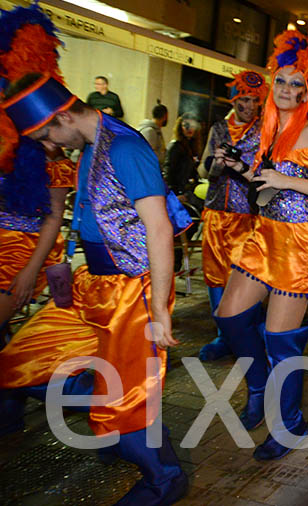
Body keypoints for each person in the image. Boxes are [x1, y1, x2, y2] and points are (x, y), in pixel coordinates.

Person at [0, 72, 189, 504]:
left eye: (47, 132)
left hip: (132, 292)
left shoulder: (125, 147)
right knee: (20, 361)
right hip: (94, 286)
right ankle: (112, 422)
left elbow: (159, 229)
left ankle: (164, 476)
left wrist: (159, 309)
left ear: (63, 115)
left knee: (126, 396)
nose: (49, 144)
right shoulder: (90, 145)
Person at [212, 28, 308, 461]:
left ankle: (288, 424)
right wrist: (237, 167)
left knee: (280, 339)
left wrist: (284, 178)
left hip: (302, 243)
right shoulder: (269, 127)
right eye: (282, 81)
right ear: (271, 83)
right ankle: (257, 385)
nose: (288, 89)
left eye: (297, 84)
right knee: (230, 318)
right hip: (265, 233)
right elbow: (267, 186)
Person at [0, 3, 77, 329]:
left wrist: (31, 269)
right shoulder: (5, 133)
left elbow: (54, 215)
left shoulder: (50, 144)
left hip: (21, 249)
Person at [194, 70, 265, 362]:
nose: (247, 106)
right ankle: (223, 336)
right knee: (214, 276)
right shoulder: (218, 129)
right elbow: (202, 171)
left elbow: (265, 178)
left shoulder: (264, 132)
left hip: (246, 216)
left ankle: (246, 334)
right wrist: (215, 165)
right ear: (233, 100)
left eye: (252, 101)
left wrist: (241, 166)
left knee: (244, 277)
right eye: (242, 100)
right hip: (214, 213)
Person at [163, 116, 203, 201]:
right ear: (180, 128)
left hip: (187, 191)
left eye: (193, 125)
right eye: (186, 125)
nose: (190, 129)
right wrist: (174, 195)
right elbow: (168, 172)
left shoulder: (191, 146)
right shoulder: (175, 146)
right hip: (178, 194)